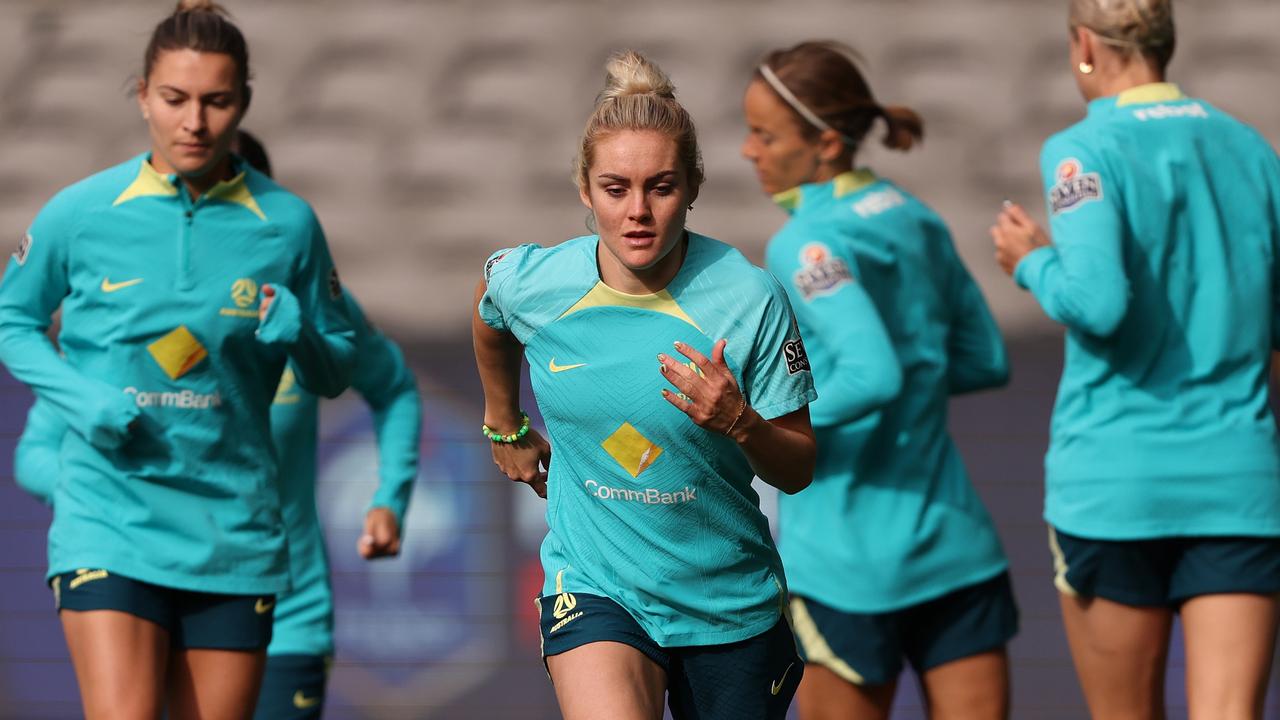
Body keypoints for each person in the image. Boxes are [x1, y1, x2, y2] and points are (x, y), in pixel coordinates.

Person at [0, 2, 355, 717]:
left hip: (233, 534)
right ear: (142, 97)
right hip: (112, 519)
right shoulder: (81, 211)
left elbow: (336, 369)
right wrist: (82, 399)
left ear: (244, 102)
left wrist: (301, 336)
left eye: (216, 101)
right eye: (175, 99)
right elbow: (12, 319)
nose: (194, 122)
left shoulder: (287, 224)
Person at [12, 129, 422, 720]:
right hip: (138, 564)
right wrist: (128, 493)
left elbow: (393, 388)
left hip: (280, 605)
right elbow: (35, 453)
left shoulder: (303, 300)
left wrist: (390, 498)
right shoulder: (132, 322)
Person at [472, 50, 818, 720]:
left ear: (692, 186)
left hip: (729, 604)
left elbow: (800, 467)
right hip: (597, 585)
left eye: (660, 187)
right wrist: (504, 422)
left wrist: (740, 422)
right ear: (584, 188)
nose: (638, 212)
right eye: (615, 188)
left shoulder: (749, 299)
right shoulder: (535, 283)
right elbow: (490, 309)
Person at [990, 1, 1280, 717]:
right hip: (1238, 478)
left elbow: (1099, 303)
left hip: (1117, 485)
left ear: (1084, 46)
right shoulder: (1252, 148)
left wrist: (1032, 264)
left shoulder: (1083, 151)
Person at [743, 41, 1017, 720]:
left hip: (847, 564)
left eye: (764, 134)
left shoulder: (804, 241)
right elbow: (985, 359)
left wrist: (764, 422)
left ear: (827, 143)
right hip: (957, 549)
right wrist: (911, 386)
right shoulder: (914, 215)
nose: (750, 151)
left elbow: (873, 373)